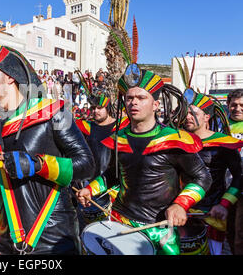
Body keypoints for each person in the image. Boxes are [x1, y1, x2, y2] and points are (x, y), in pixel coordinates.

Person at [0, 42, 96, 255]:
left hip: (54, 243)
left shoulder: (54, 113)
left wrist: (38, 164)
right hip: (5, 246)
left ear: (10, 77)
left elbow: (87, 165)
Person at [82, 63, 212, 255]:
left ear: (155, 104)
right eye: (130, 98)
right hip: (119, 222)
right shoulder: (119, 138)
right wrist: (90, 189)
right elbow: (113, 175)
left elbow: (202, 177)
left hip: (159, 230)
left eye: (141, 98)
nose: (134, 102)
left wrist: (180, 204)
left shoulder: (174, 139)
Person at [182, 89, 242, 255]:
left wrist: (224, 205)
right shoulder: (176, 141)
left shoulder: (224, 144)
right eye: (185, 113)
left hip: (211, 214)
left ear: (206, 117)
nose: (187, 117)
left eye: (193, 113)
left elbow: (239, 177)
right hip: (181, 211)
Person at [75, 92, 129, 227]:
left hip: (115, 187)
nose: (95, 111)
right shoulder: (88, 127)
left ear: (108, 108)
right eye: (93, 108)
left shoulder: (121, 126)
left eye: (99, 108)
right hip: (92, 185)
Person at [226, 88, 243, 255]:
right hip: (225, 187)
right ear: (228, 105)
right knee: (228, 230)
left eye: (242, 105)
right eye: (234, 105)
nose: (237, 109)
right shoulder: (219, 125)